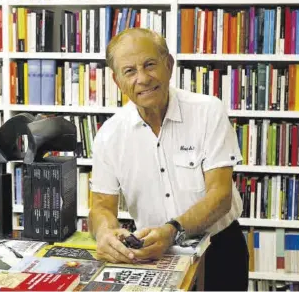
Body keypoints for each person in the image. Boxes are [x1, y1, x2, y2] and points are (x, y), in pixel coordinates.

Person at [89, 28, 249, 291]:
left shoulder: (208, 111)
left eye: (150, 65)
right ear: (118, 82)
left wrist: (172, 230)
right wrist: (106, 232)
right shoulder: (109, 134)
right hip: (151, 255)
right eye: (129, 71)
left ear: (169, 65)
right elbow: (101, 206)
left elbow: (220, 196)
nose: (142, 78)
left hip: (219, 248)